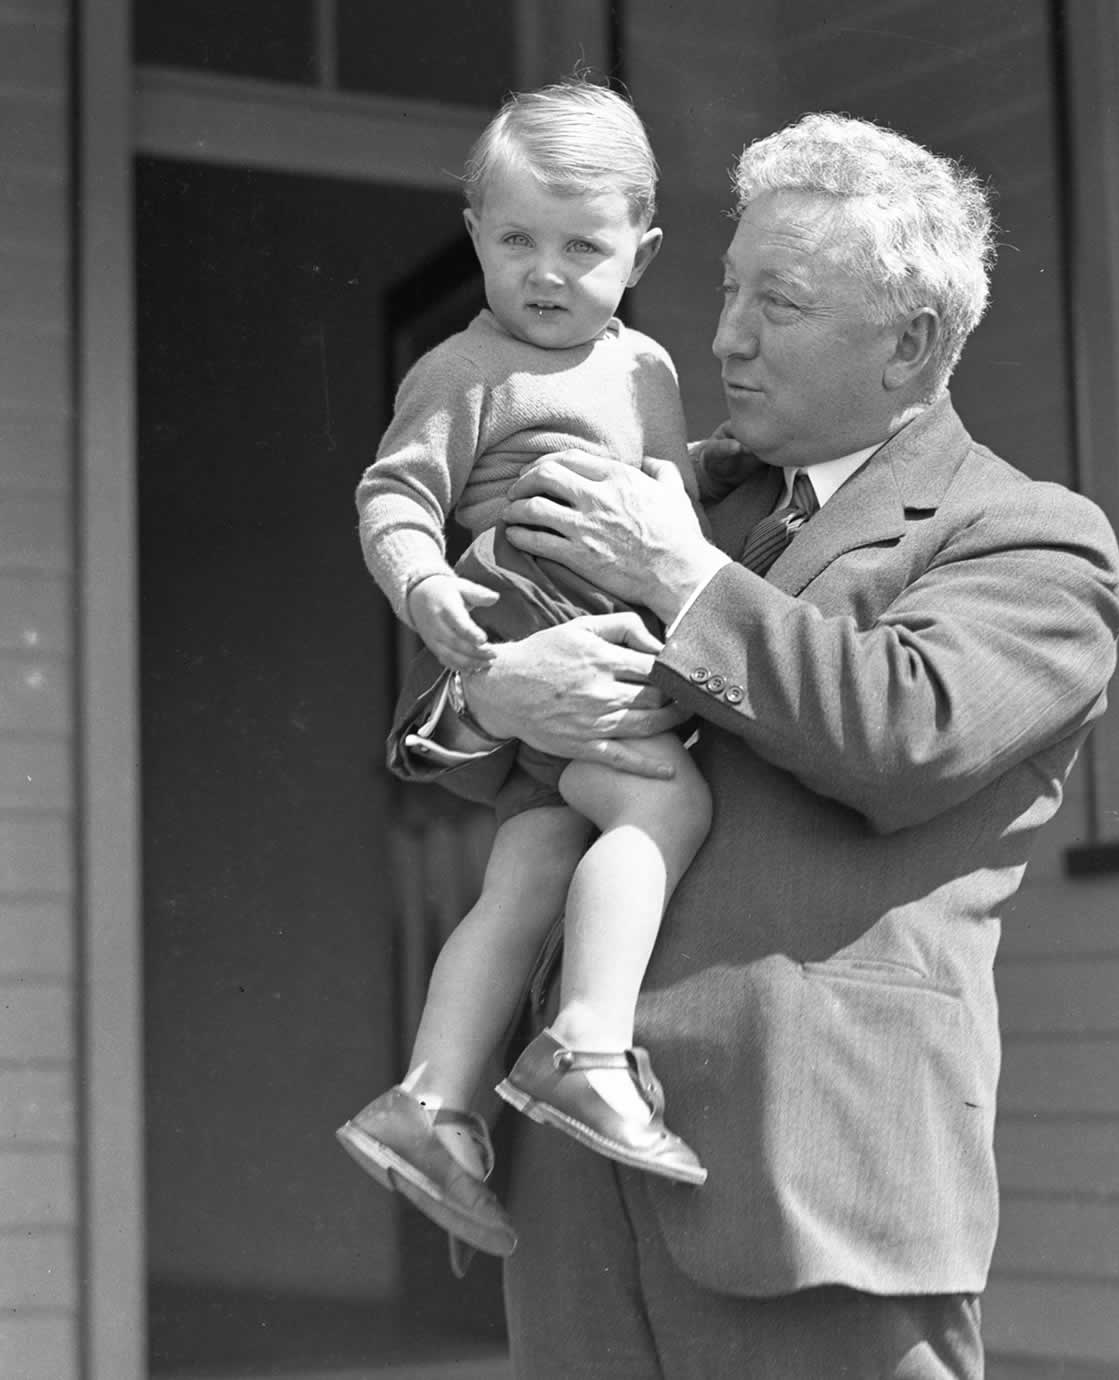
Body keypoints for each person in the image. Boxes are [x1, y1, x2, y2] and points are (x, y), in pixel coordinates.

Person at [389, 113, 1119, 1377]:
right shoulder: (671, 480)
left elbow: (900, 734)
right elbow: (483, 670)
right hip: (578, 1182)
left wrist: (681, 578)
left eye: (776, 304)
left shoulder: (1029, 538)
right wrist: (495, 697)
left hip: (818, 1185)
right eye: (727, 289)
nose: (724, 335)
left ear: (911, 342)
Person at [339, 81, 717, 1266]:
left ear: (641, 253)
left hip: (608, 612)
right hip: (530, 601)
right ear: (476, 238)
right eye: (515, 241)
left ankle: (433, 1098)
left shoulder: (648, 367)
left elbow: (663, 497)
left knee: (534, 862)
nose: (544, 274)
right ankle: (586, 1046)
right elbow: (394, 494)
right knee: (665, 802)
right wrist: (425, 586)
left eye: (581, 247)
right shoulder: (467, 367)